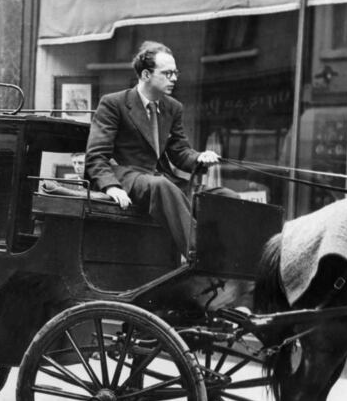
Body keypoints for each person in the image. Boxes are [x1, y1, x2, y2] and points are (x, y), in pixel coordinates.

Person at [85, 41, 236, 258]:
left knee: (223, 196)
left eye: (175, 72)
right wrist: (111, 187)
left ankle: (233, 254)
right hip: (127, 175)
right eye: (167, 73)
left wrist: (200, 157)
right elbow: (96, 156)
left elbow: (180, 152)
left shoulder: (173, 107)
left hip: (160, 179)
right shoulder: (113, 104)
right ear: (146, 75)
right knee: (162, 185)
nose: (174, 78)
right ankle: (199, 255)